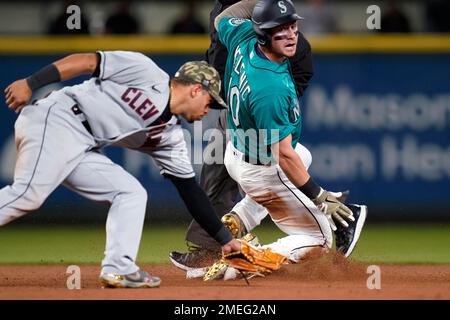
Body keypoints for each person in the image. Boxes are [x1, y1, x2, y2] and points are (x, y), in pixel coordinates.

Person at [2, 51, 241, 288]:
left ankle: (118, 269)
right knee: (28, 195)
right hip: (57, 117)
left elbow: (191, 192)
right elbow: (86, 62)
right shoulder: (146, 72)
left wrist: (225, 239)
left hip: (82, 145)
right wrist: (31, 83)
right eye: (210, 102)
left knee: (130, 193)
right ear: (196, 90)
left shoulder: (170, 138)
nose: (208, 110)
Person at [169, 0, 364, 271]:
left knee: (303, 156)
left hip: (236, 153)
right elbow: (283, 155)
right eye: (280, 30)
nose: (291, 35)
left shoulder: (242, 35)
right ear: (263, 34)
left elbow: (222, 18)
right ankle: (242, 256)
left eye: (293, 27)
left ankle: (238, 218)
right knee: (319, 240)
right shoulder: (270, 89)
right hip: (261, 168)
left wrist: (264, 7)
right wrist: (320, 197)